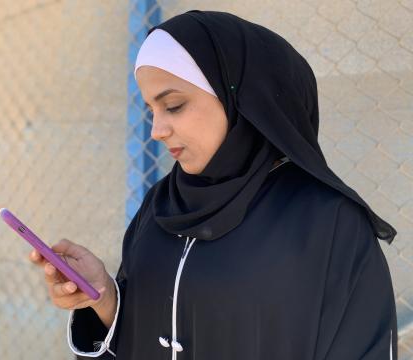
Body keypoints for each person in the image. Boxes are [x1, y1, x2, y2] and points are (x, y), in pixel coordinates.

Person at [29, 10, 398, 360]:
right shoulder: (161, 205)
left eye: (172, 105)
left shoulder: (328, 224)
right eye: (150, 110)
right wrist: (105, 299)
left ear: (242, 98)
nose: (157, 130)